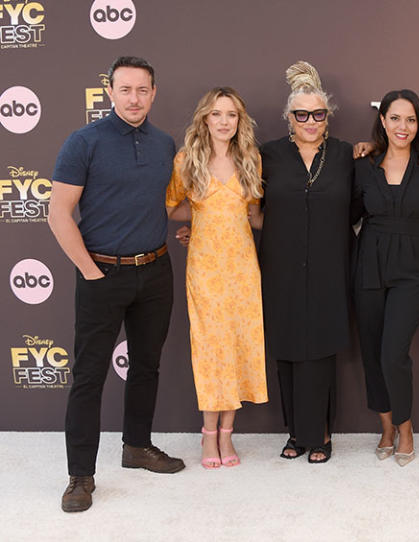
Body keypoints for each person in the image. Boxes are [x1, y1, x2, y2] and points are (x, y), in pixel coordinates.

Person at [49, 56, 184, 513]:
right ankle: (80, 477)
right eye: (125, 89)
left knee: (146, 366)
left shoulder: (165, 143)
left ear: (153, 93)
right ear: (110, 91)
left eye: (142, 90)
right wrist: (89, 271)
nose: (134, 98)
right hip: (100, 273)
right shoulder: (83, 142)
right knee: (88, 377)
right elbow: (57, 212)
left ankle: (137, 447)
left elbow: (163, 205)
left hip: (156, 270)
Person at [260, 61, 357, 464]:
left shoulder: (346, 155)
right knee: (286, 347)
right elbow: (244, 205)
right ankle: (296, 433)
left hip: (329, 265)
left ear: (327, 116)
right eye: (302, 114)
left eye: (319, 114)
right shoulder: (268, 155)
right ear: (289, 118)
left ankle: (321, 433)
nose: (311, 121)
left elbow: (363, 204)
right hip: (280, 265)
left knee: (320, 349)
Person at [165, 87, 267, 469]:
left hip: (243, 266)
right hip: (205, 267)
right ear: (204, 119)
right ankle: (209, 436)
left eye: (232, 115)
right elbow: (173, 209)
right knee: (211, 348)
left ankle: (228, 435)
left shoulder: (251, 159)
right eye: (217, 114)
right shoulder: (186, 160)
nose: (224, 122)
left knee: (238, 344)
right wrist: (199, 223)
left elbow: (253, 215)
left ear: (240, 121)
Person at [354, 89, 419, 466]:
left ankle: (405, 426)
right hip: (369, 264)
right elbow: (343, 211)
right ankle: (386, 427)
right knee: (372, 353)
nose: (403, 126)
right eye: (395, 118)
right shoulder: (363, 163)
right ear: (382, 121)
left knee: (394, 353)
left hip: (413, 266)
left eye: (410, 119)